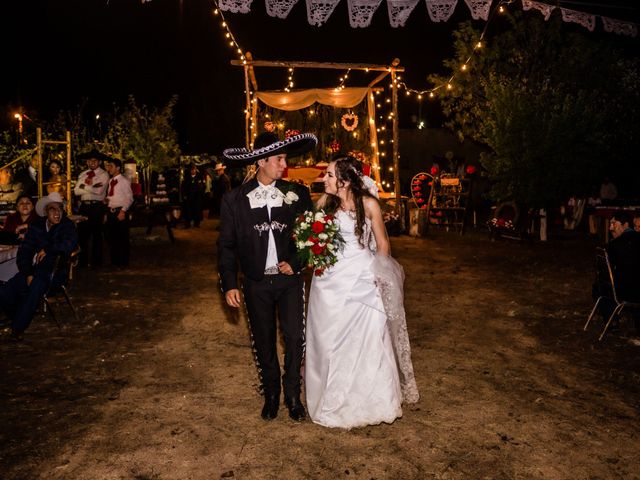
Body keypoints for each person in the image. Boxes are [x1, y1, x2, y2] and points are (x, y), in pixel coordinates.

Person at [305, 155, 419, 429]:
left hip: (360, 278)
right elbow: (317, 236)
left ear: (344, 181)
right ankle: (330, 395)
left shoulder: (369, 204)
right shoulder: (325, 204)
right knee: (328, 337)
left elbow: (382, 245)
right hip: (329, 280)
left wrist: (377, 276)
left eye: (330, 175)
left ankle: (370, 399)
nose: (324, 179)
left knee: (366, 338)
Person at [218, 131, 316, 421]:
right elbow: (226, 245)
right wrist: (229, 283)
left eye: (285, 158)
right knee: (263, 339)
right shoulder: (234, 200)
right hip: (255, 282)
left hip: (288, 281)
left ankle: (294, 395)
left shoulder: (298, 194)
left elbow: (311, 236)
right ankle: (271, 394)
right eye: (280, 159)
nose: (284, 165)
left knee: (295, 336)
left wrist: (296, 261)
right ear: (262, 161)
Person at [0, 192, 78, 340]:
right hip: (34, 270)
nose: (57, 213)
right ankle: (20, 316)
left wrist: (48, 249)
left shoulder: (67, 226)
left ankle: (16, 329)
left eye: (60, 209)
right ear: (46, 211)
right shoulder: (37, 225)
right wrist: (28, 272)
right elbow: (25, 251)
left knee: (35, 288)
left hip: (54, 274)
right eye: (52, 209)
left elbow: (68, 244)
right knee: (5, 291)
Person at [74, 150, 109, 268]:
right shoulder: (83, 174)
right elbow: (76, 191)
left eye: (94, 160)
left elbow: (99, 192)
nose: (92, 162)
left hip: (97, 207)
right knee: (82, 234)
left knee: (97, 235)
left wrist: (84, 186)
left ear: (99, 162)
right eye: (89, 160)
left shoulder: (104, 174)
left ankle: (96, 262)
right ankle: (82, 262)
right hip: (84, 206)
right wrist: (91, 187)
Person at [104, 158, 133, 267]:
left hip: (120, 211)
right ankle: (115, 262)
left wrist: (123, 211)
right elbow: (113, 196)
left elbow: (129, 198)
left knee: (123, 238)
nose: (109, 168)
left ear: (118, 168)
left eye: (111, 166)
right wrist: (107, 200)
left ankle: (123, 263)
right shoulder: (111, 181)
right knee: (113, 238)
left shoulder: (124, 181)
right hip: (111, 212)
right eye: (108, 166)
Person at [607, 211, 640, 303]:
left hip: (623, 291)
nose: (610, 228)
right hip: (628, 291)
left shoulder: (616, 244)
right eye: (635, 227)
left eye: (614, 224)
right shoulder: (617, 244)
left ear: (625, 225)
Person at [181, 163, 205, 228]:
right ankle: (188, 224)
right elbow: (183, 187)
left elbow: (203, 186)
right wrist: (184, 195)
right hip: (189, 197)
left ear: (196, 169)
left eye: (194, 169)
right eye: (191, 170)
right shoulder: (187, 177)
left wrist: (201, 194)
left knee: (197, 210)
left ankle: (196, 223)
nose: (193, 171)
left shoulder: (200, 176)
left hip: (197, 197)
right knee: (188, 211)